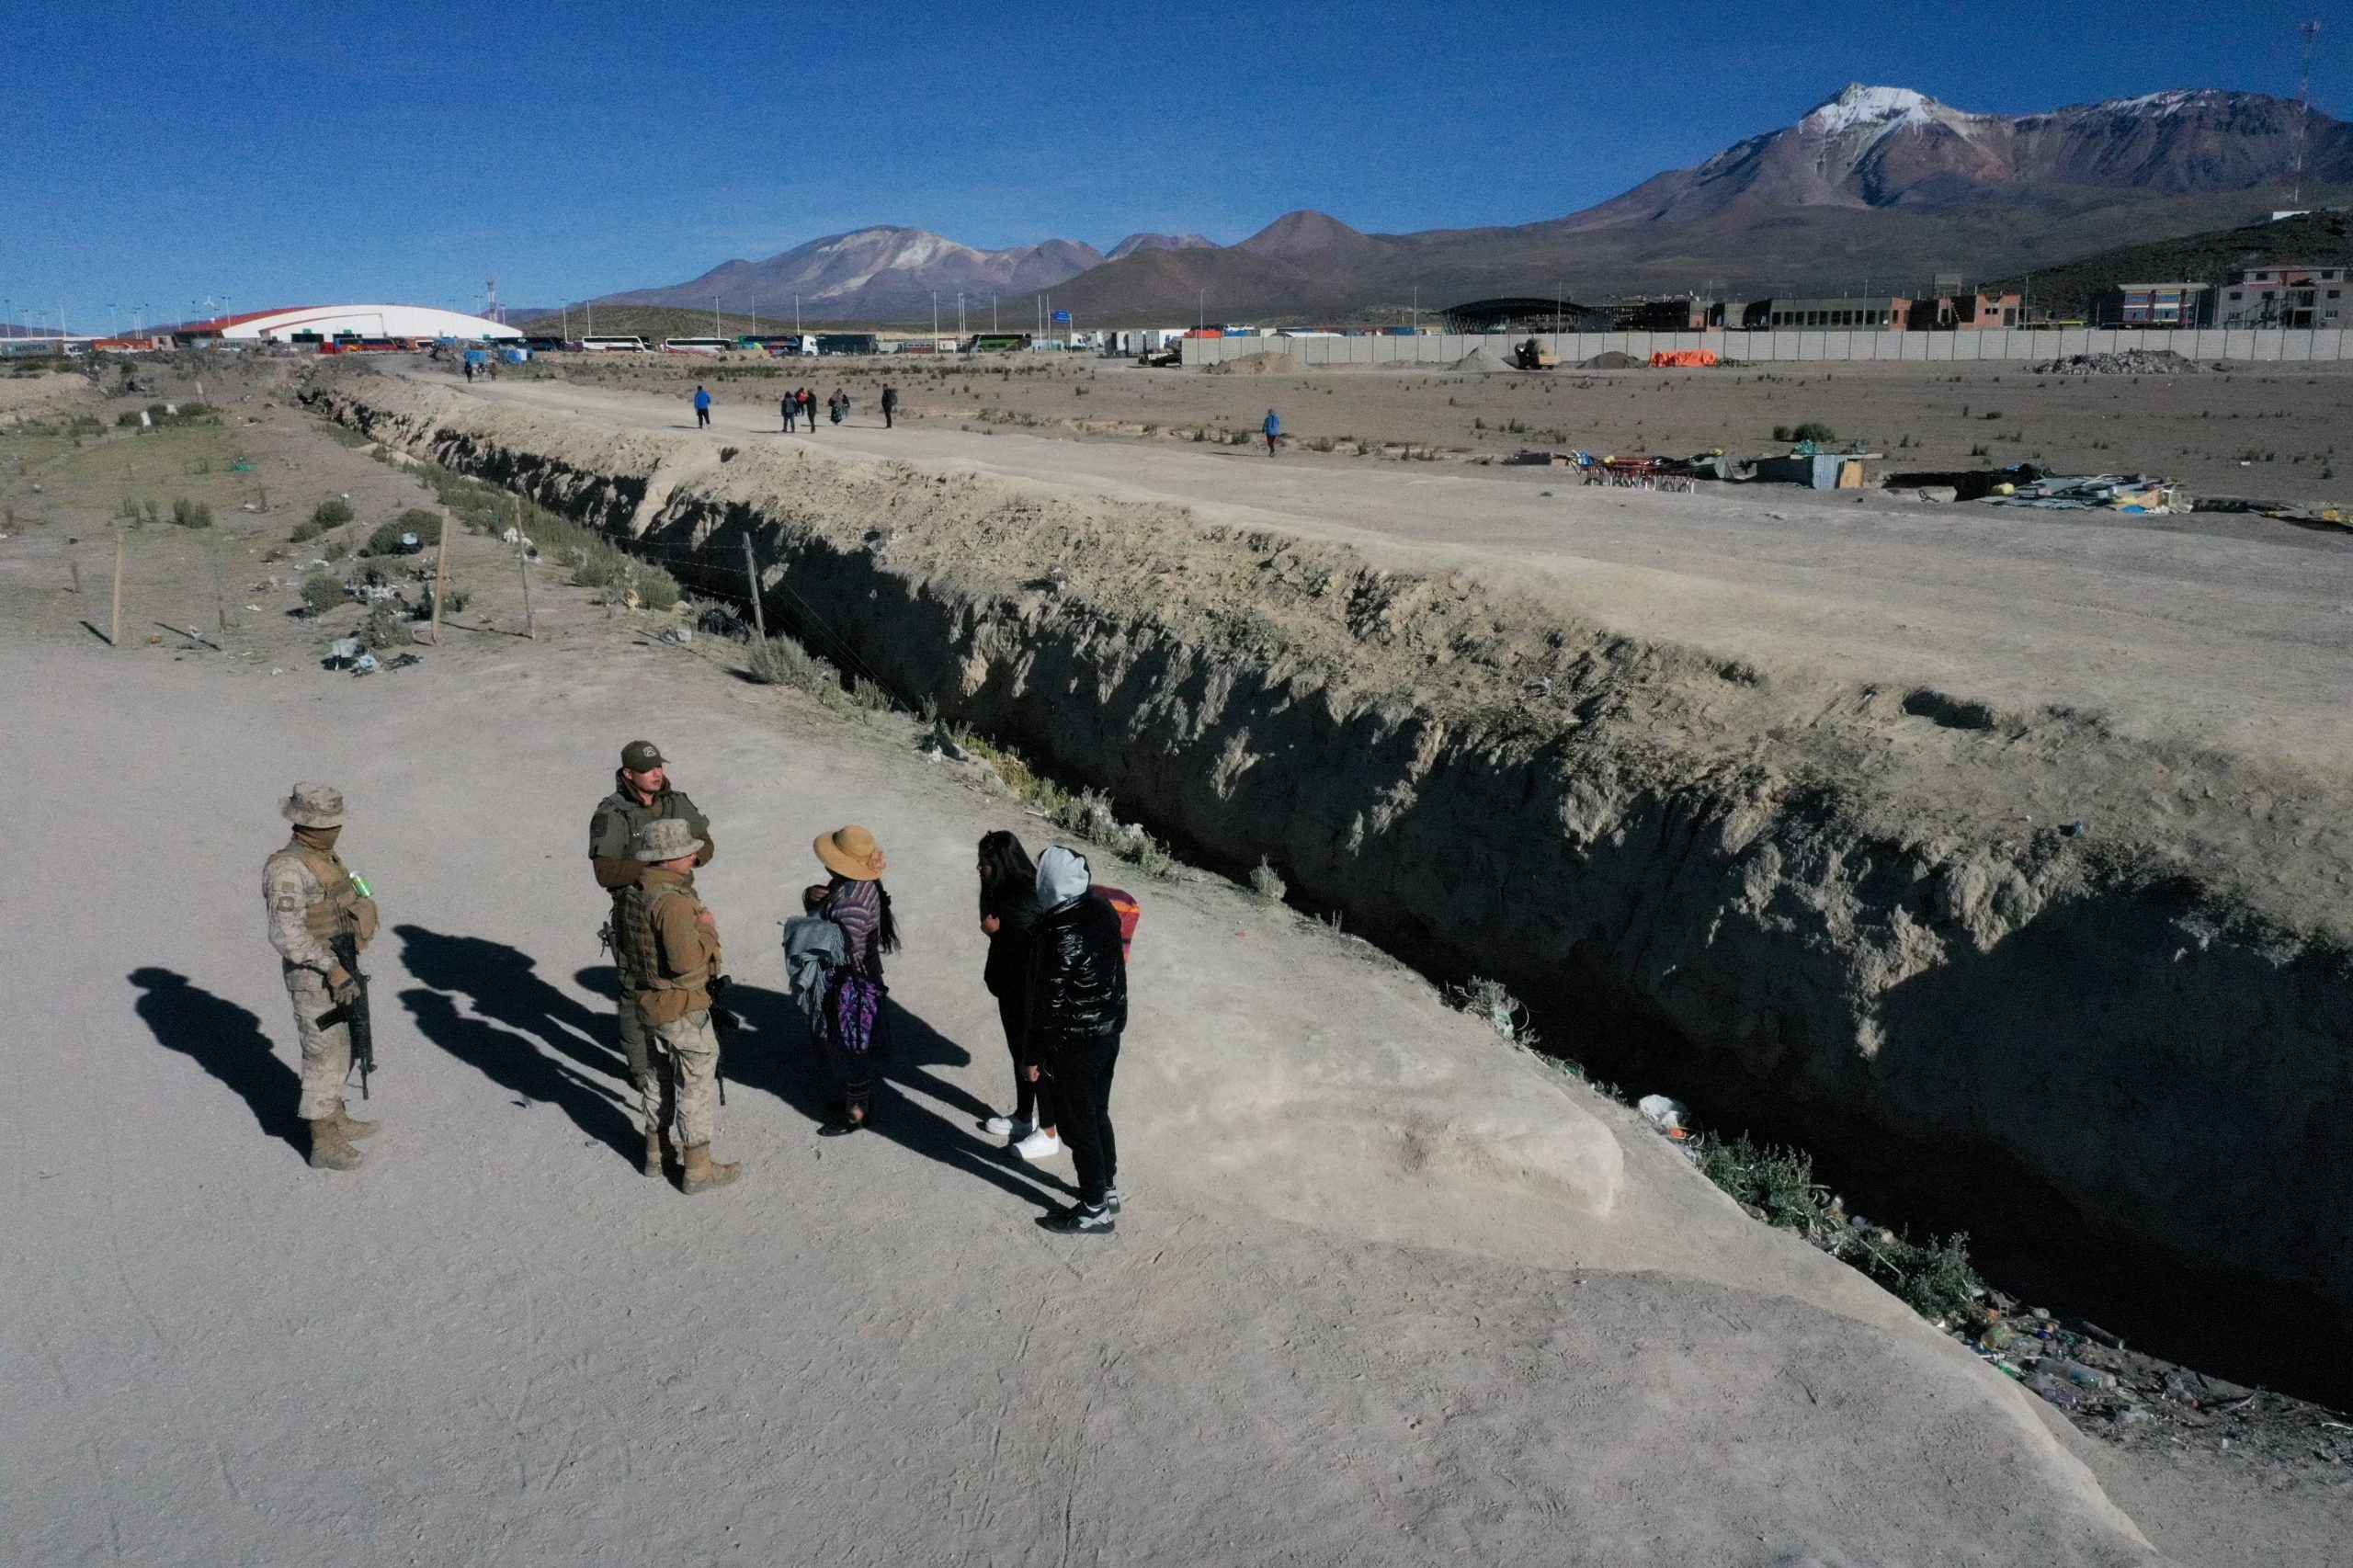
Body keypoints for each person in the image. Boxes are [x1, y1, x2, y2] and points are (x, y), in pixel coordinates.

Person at [588, 740, 714, 1171]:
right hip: (635, 912)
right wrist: (657, 868)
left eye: (658, 766)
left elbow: (706, 843)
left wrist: (688, 856)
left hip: (676, 902)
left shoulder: (676, 800)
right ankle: (642, 1069)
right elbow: (605, 872)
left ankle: (658, 1120)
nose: (656, 774)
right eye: (647, 770)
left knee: (681, 984)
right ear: (628, 774)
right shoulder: (613, 813)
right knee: (636, 990)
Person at [262, 782, 381, 1171]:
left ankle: (335, 1115)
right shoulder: (286, 868)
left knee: (346, 1044)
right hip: (314, 976)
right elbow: (287, 935)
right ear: (308, 824)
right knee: (322, 1051)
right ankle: (322, 1141)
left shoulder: (325, 857)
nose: (337, 829)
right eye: (330, 823)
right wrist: (332, 968)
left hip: (343, 966)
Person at [618, 817, 740, 1192]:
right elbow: (686, 960)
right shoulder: (671, 902)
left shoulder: (635, 893)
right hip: (682, 1006)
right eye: (687, 852)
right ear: (668, 859)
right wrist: (706, 926)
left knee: (657, 1078)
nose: (693, 856)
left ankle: (656, 1155)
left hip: (649, 1003)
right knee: (694, 1085)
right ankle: (698, 1171)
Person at [1027, 846, 1127, 1233]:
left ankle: (1094, 1209)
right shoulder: (1102, 909)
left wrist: (1032, 1055)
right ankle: (1108, 1187)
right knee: (1097, 1112)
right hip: (1107, 1033)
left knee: (1077, 1125)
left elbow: (1046, 1003)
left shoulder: (1057, 934)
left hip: (1074, 1043)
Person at [811, 824, 897, 1134]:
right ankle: (856, 1101)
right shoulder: (861, 888)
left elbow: (841, 951)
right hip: (861, 980)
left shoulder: (850, 904)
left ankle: (856, 1114)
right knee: (852, 1045)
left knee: (850, 1048)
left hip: (851, 986)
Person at [974, 832, 1053, 1152]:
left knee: (1034, 1059)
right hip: (1011, 988)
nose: (979, 867)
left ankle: (1047, 1130)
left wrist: (997, 933)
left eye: (986, 863)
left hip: (1028, 992)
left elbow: (1030, 949)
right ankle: (1025, 1116)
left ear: (1002, 863)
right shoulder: (1004, 889)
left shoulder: (1021, 895)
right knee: (1020, 1055)